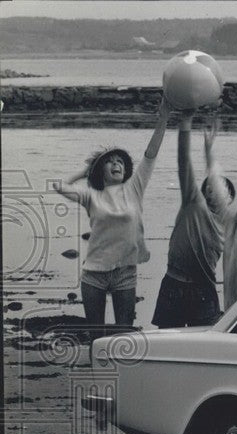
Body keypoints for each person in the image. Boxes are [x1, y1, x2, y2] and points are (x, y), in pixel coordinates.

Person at [54, 97, 170, 332]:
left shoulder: (135, 188)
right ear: (101, 170)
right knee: (97, 337)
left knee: (124, 334)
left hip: (125, 272)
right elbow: (59, 185)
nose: (116, 164)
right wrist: (85, 170)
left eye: (120, 162)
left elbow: (151, 154)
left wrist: (164, 117)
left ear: (126, 170)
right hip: (94, 275)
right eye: (109, 162)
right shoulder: (91, 195)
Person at [151, 113, 235, 328]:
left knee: (202, 346)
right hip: (174, 284)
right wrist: (185, 125)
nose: (213, 191)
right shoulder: (193, 204)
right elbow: (184, 162)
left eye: (220, 189)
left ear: (230, 199)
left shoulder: (229, 223)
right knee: (166, 343)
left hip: (204, 290)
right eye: (208, 187)